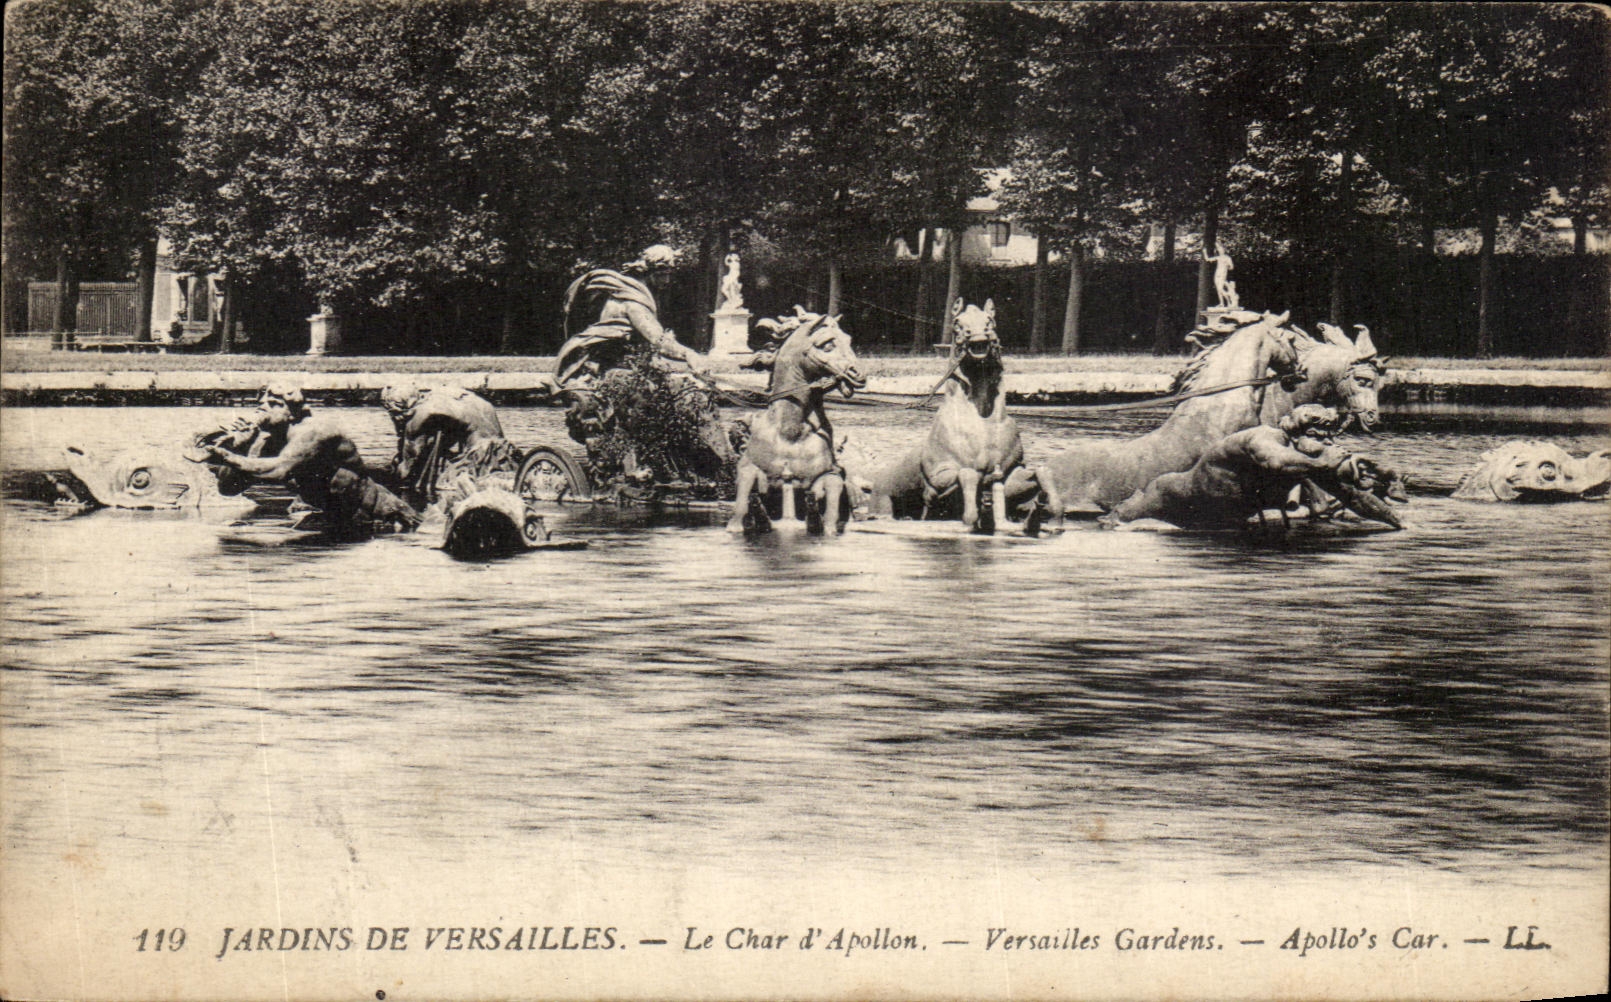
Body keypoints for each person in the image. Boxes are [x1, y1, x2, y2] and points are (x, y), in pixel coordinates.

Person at [554, 245, 732, 480]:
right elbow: (658, 340)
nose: (668, 279)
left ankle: (707, 463)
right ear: (651, 272)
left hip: (636, 370)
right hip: (617, 372)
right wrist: (690, 355)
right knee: (652, 397)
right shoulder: (632, 302)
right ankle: (672, 467)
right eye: (664, 273)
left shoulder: (634, 296)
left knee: (694, 395)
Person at [202, 384, 418, 533]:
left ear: (294, 411)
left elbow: (278, 470)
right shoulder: (267, 441)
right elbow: (229, 488)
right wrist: (241, 446)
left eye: (274, 403)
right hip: (336, 517)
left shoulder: (314, 432)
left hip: (383, 516)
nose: (263, 407)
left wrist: (225, 455)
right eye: (262, 402)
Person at [380, 383, 516, 503]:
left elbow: (408, 467)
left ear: (397, 407)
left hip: (481, 457)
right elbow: (457, 430)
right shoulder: (441, 396)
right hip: (504, 451)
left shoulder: (420, 415)